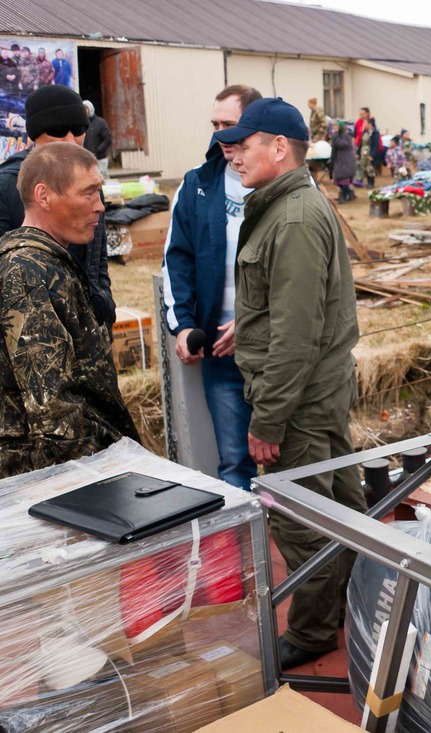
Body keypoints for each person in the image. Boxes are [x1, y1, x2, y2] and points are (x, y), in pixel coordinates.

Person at [213, 97, 364, 669]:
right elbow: (284, 311)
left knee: (303, 521)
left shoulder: (294, 217)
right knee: (341, 508)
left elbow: (296, 334)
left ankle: (310, 632)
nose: (233, 154)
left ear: (279, 148)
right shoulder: (284, 207)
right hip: (312, 394)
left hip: (298, 402)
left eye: (243, 144)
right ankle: (344, 608)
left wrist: (268, 419)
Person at [0, 143, 139, 476]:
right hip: (59, 479)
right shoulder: (26, 275)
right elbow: (55, 416)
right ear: (43, 196)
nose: (100, 207)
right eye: (88, 193)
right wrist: (110, 471)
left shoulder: (48, 262)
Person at [162, 84, 262, 491]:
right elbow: (177, 259)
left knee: (289, 464)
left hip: (272, 352)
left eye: (230, 125)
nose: (220, 135)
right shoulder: (197, 185)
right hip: (220, 355)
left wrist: (254, 324)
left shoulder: (280, 186)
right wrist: (183, 325)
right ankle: (245, 553)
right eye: (215, 125)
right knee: (235, 465)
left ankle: (294, 551)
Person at [0, 85, 114, 330]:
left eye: (79, 129)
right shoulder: (7, 185)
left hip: (87, 326)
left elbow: (96, 257)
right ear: (34, 134)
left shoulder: (88, 178)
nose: (71, 140)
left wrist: (104, 301)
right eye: (58, 130)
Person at [82, 100, 113, 178]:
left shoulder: (100, 122)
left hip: (100, 159)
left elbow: (108, 138)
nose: (84, 111)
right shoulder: (82, 124)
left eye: (86, 108)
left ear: (90, 109)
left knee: (102, 180)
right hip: (87, 160)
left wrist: (98, 150)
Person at [329, 119, 356, 202]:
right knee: (340, 180)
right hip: (340, 161)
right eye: (333, 126)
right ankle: (348, 194)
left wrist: (334, 136)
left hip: (345, 161)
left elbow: (342, 144)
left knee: (343, 180)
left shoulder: (345, 135)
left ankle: (344, 197)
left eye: (336, 126)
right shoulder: (338, 135)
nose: (334, 128)